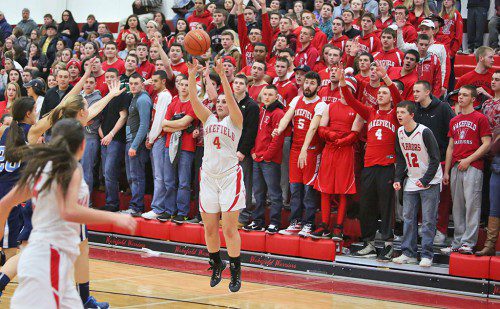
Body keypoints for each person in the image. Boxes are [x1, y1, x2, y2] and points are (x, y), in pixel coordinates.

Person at [0, 118, 136, 308]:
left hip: (46, 260)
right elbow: (68, 210)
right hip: (49, 259)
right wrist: (115, 217)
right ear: (82, 144)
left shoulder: (40, 168)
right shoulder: (71, 167)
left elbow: (4, 204)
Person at [187, 58, 244, 292]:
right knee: (209, 228)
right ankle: (216, 263)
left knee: (229, 229)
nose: (220, 103)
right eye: (217, 101)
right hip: (209, 177)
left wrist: (223, 78)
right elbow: (193, 101)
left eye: (224, 101)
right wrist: (192, 76)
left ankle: (237, 272)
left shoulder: (236, 121)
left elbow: (231, 100)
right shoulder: (208, 118)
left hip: (230, 178)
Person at [343, 64, 402, 261]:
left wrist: (386, 79)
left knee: (386, 207)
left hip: (387, 167)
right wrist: (343, 82)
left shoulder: (395, 114)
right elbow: (351, 101)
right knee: (366, 205)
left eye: (384, 93)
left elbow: (401, 100)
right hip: (369, 167)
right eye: (379, 93)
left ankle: (387, 244)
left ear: (391, 97)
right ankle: (368, 243)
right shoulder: (370, 112)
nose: (380, 95)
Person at [274, 72, 326, 238]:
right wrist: (279, 129)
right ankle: (295, 222)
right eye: (306, 83)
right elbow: (286, 117)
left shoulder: (321, 105)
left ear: (318, 87)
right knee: (295, 188)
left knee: (308, 190)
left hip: (310, 151)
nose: (308, 86)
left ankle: (308, 223)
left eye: (312, 83)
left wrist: (304, 148)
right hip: (296, 149)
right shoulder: (296, 100)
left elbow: (313, 128)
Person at [441, 85, 492, 255]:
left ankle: (469, 242)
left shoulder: (480, 118)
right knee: (458, 207)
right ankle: (458, 241)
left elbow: (487, 144)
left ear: (473, 98)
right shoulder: (454, 120)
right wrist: (447, 171)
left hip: (473, 166)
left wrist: (469, 160)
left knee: (472, 205)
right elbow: (450, 147)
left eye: (464, 95)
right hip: (456, 166)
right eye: (459, 95)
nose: (460, 98)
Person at [313, 66, 362, 240]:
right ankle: (324, 225)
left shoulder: (358, 108)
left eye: (348, 89)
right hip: (330, 148)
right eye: (343, 88)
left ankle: (339, 227)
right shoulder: (329, 106)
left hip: (345, 151)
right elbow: (321, 127)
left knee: (342, 190)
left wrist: (343, 140)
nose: (344, 92)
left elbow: (356, 132)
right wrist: (330, 135)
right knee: (325, 188)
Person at [392, 101, 443, 267]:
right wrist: (398, 178)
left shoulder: (424, 132)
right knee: (408, 218)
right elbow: (401, 158)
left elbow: (436, 159)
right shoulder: (399, 132)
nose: (399, 115)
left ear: (411, 115)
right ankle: (409, 253)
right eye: (398, 112)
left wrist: (426, 180)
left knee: (428, 220)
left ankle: (427, 254)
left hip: (430, 180)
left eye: (402, 112)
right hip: (412, 179)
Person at [412, 80, 455, 245]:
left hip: (441, 160)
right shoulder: (414, 110)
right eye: (414, 91)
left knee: (441, 200)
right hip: (420, 162)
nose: (414, 94)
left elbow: (453, 133)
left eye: (418, 91)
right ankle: (423, 226)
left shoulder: (443, 108)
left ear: (428, 91)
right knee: (420, 197)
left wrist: (448, 165)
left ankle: (441, 231)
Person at [244, 85, 285, 233]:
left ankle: (274, 222)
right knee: (258, 192)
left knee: (274, 193)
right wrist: (254, 151)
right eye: (265, 94)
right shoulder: (261, 111)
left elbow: (277, 139)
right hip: (257, 158)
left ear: (276, 97)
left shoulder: (279, 113)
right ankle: (258, 221)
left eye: (270, 94)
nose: (267, 97)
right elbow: (255, 133)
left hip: (269, 160)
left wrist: (266, 156)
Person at [161, 75, 197, 223]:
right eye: (181, 84)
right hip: (170, 145)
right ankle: (169, 210)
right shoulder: (173, 102)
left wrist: (175, 123)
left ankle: (182, 212)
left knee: (183, 181)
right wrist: (182, 125)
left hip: (187, 147)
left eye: (187, 85)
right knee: (169, 180)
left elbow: (185, 120)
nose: (183, 87)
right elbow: (163, 124)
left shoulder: (194, 103)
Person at [142, 70, 172, 220]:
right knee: (158, 175)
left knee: (160, 175)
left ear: (163, 81)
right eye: (151, 81)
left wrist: (151, 138)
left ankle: (158, 208)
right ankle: (159, 206)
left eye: (155, 81)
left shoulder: (165, 96)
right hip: (156, 138)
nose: (152, 83)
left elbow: (159, 120)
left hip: (160, 138)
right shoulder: (160, 95)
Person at [100, 69, 131, 212]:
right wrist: (101, 133)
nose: (109, 79)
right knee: (106, 173)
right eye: (107, 77)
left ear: (118, 79)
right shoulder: (106, 95)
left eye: (112, 77)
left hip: (116, 139)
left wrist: (111, 134)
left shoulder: (122, 94)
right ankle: (110, 202)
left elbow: (123, 116)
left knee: (110, 172)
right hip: (104, 139)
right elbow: (100, 118)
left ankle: (112, 204)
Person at [121, 73, 152, 217]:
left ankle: (137, 207)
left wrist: (134, 145)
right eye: (131, 83)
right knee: (132, 176)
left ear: (142, 84)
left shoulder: (143, 99)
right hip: (131, 141)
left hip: (136, 143)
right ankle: (135, 206)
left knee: (137, 176)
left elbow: (144, 125)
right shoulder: (135, 97)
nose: (133, 86)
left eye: (136, 83)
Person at [233, 74, 259, 227]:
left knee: (244, 184)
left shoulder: (251, 106)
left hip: (242, 152)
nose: (237, 85)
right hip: (229, 149)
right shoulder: (229, 102)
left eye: (241, 83)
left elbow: (251, 130)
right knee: (231, 184)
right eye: (235, 83)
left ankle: (244, 216)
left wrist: (242, 150)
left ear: (246, 86)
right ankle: (232, 215)